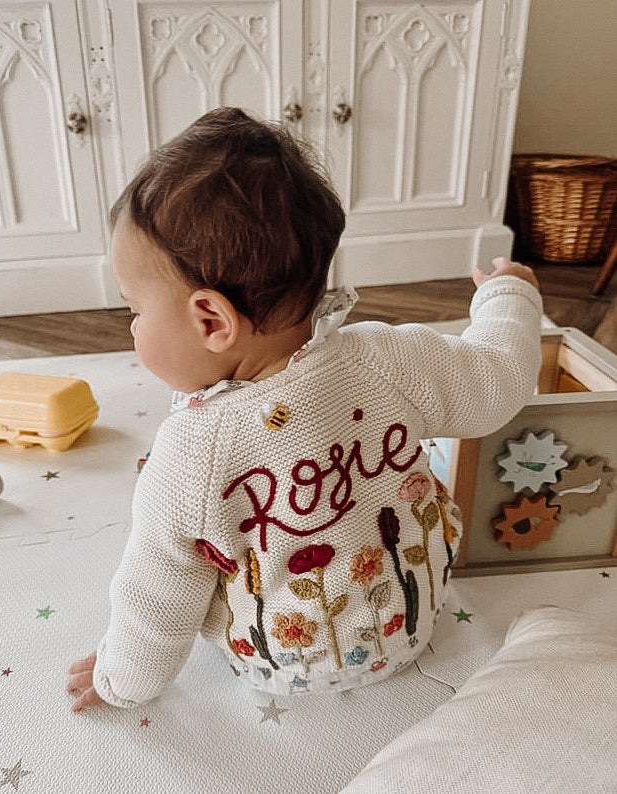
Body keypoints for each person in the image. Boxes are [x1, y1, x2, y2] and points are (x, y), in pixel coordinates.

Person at [67, 107, 542, 710]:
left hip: (282, 666)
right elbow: (497, 381)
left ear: (212, 320)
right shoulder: (387, 360)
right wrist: (510, 295)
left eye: (133, 311)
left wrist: (119, 680)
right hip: (415, 624)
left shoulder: (191, 455)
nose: (131, 329)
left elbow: (155, 599)